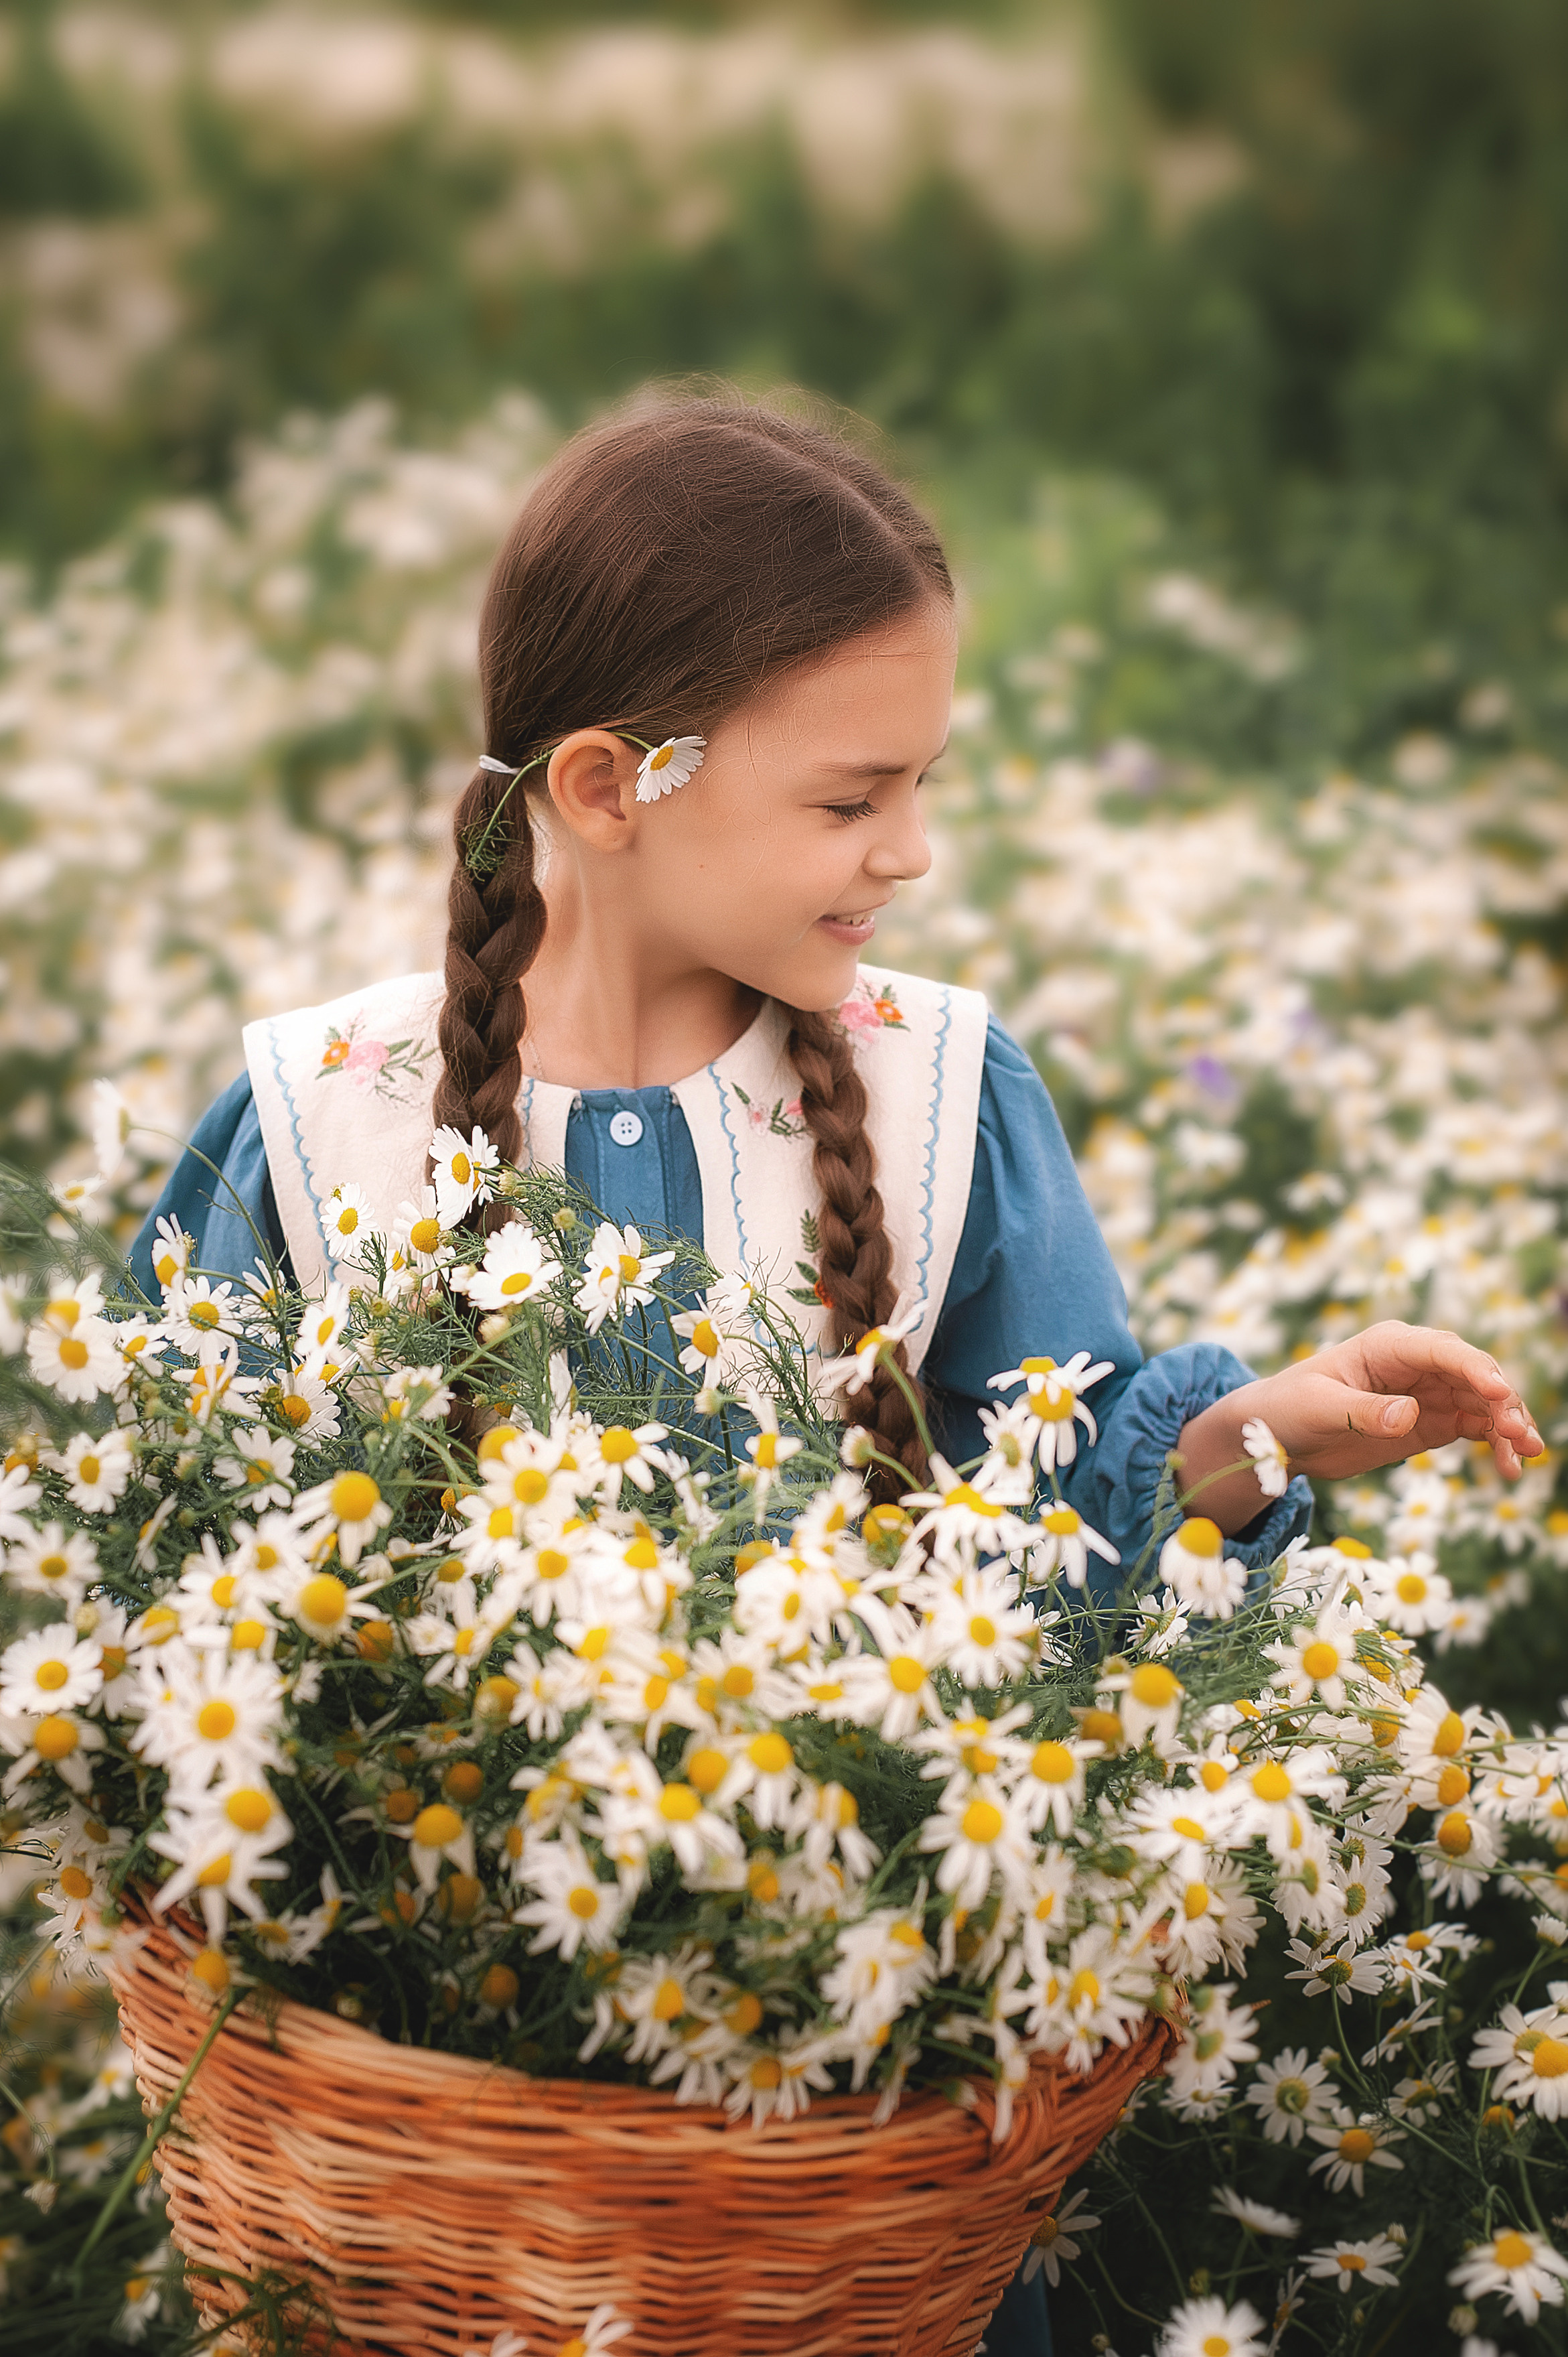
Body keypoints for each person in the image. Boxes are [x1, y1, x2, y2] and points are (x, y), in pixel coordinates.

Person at [131, 395, 1541, 2354]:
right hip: (437, 2141)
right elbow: (151, 1572)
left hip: (862, 2142)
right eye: (849, 797)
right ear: (613, 785)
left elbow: (1033, 1519)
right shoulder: (313, 1124)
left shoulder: (942, 1088)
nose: (915, 850)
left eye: (922, 784)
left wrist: (1245, 1434)